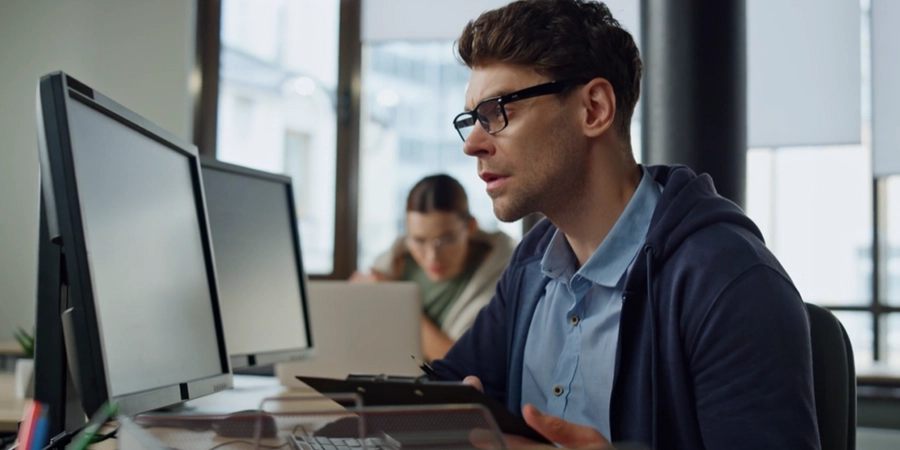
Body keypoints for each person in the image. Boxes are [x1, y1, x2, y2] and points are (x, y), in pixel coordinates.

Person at [431, 1, 820, 449]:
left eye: (498, 111)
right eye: (472, 120)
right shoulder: (533, 263)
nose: (473, 144)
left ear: (594, 108)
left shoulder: (730, 282)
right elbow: (449, 388)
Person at [352, 174, 515, 361]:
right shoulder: (391, 266)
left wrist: (395, 303)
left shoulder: (503, 276)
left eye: (446, 240)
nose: (432, 256)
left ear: (470, 227)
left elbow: (462, 365)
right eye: (419, 240)